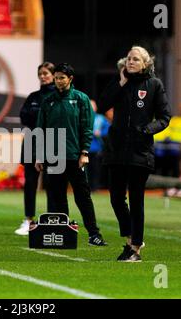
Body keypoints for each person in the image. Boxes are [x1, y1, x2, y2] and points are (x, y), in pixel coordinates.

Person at [98, 46, 171, 262]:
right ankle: (131, 238)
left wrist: (147, 130)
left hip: (140, 151)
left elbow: (165, 117)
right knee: (115, 198)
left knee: (136, 200)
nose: (131, 62)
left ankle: (135, 249)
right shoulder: (120, 82)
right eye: (129, 58)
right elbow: (102, 105)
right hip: (117, 150)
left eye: (136, 59)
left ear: (145, 63)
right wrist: (120, 83)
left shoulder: (154, 84)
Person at [35, 62, 107, 246]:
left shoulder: (81, 99)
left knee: (82, 196)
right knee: (56, 196)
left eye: (62, 78)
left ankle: (94, 234)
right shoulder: (48, 100)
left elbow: (87, 127)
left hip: (75, 157)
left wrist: (84, 152)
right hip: (53, 157)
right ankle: (61, 233)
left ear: (70, 79)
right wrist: (39, 155)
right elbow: (40, 129)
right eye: (57, 77)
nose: (58, 81)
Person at [15, 62, 58, 236]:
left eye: (46, 73)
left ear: (53, 75)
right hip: (32, 142)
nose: (43, 76)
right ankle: (29, 220)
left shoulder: (58, 95)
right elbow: (24, 117)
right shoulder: (33, 96)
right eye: (40, 73)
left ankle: (51, 220)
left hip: (52, 143)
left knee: (51, 183)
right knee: (30, 183)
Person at [88, 100, 110, 192]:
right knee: (85, 170)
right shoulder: (83, 117)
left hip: (96, 148)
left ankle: (95, 187)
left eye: (93, 106)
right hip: (85, 149)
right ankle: (87, 187)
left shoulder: (100, 118)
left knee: (96, 169)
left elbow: (109, 129)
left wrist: (100, 133)